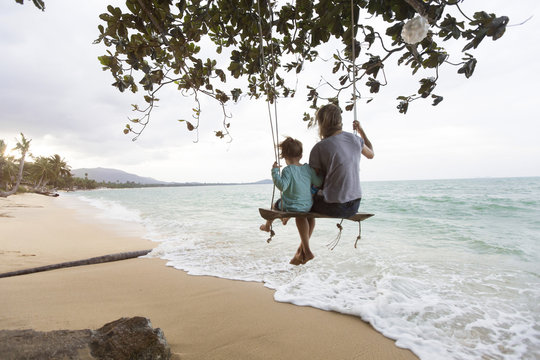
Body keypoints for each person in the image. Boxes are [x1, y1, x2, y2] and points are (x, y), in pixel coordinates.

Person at [293, 103, 374, 264]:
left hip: (335, 206)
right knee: (307, 207)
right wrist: (361, 131)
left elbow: (315, 181)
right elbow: (371, 154)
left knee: (301, 208)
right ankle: (300, 253)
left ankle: (304, 251)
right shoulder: (356, 140)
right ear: (339, 120)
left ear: (321, 123)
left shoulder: (320, 147)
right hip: (354, 205)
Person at [259, 137, 322, 265]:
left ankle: (267, 226)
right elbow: (318, 182)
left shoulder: (287, 170)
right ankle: (284, 220)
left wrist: (275, 172)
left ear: (285, 157)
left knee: (275, 206)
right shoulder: (307, 169)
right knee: (300, 213)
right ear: (301, 155)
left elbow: (282, 186)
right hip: (307, 205)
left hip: (291, 205)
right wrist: (319, 173)